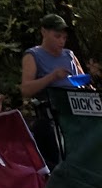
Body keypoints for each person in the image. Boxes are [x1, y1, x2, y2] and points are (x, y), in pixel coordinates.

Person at [21, 13, 88, 166]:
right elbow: (26, 89)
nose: (61, 41)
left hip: (78, 107)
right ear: (44, 32)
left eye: (64, 38)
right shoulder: (33, 55)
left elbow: (81, 79)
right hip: (53, 110)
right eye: (57, 36)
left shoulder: (69, 55)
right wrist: (52, 77)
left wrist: (86, 84)